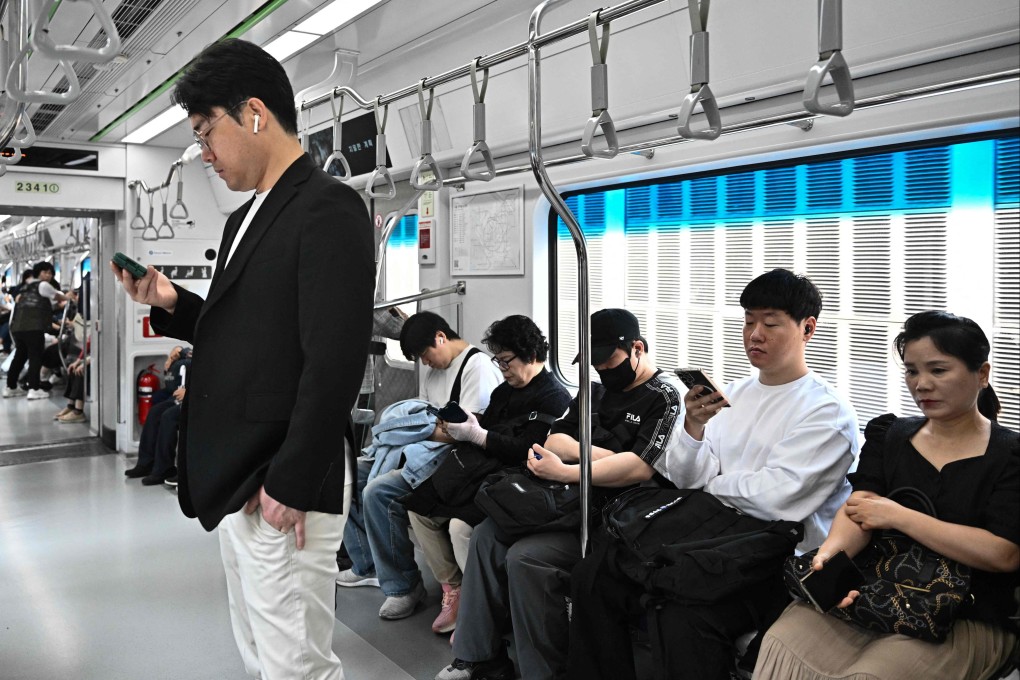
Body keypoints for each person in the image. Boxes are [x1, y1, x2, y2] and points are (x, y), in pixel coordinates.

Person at [110, 38, 374, 680]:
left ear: (253, 112)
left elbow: (333, 361)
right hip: (242, 479)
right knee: (261, 653)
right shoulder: (244, 220)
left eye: (206, 134)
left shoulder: (328, 210)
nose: (204, 154)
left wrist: (291, 481)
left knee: (297, 665)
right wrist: (172, 300)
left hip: (282, 479)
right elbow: (248, 333)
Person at [566, 269, 860, 680]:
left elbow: (777, 498)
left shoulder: (827, 412)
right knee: (594, 575)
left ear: (807, 328)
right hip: (709, 535)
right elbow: (688, 477)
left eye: (770, 323)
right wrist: (694, 429)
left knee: (681, 612)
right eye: (748, 321)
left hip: (772, 554)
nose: (754, 334)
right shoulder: (734, 394)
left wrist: (712, 484)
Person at [755, 311, 1019, 680]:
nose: (921, 384)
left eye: (938, 370)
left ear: (982, 374)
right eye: (912, 371)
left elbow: (1003, 554)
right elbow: (860, 509)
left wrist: (898, 516)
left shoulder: (1009, 454)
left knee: (874, 674)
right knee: (782, 640)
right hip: (877, 589)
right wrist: (831, 559)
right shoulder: (890, 434)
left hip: (965, 612)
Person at [436, 308, 686, 680]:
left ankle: (545, 673)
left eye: (608, 360)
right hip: (567, 498)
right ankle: (479, 657)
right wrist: (601, 460)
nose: (601, 370)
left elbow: (641, 469)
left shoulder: (665, 396)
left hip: (614, 514)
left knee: (525, 558)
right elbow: (554, 438)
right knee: (486, 536)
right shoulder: (596, 390)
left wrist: (572, 466)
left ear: (637, 348)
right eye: (594, 362)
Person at [406, 314, 571, 636]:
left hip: (514, 479)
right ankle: (453, 589)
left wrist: (479, 436)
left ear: (531, 354)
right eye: (499, 361)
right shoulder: (504, 392)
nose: (503, 369)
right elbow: (490, 429)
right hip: (483, 470)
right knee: (417, 505)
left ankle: (480, 606)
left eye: (507, 361)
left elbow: (529, 450)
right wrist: (473, 426)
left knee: (458, 527)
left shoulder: (554, 397)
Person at [338, 311, 503, 621]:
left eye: (426, 355)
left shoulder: (476, 368)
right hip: (422, 446)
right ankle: (366, 564)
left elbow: (462, 431)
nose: (426, 364)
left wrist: (419, 429)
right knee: (343, 473)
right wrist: (420, 428)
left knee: (377, 492)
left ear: (441, 337)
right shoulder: (434, 369)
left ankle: (403, 587)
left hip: (452, 456)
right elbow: (427, 415)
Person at [4, 262, 67, 400]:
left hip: (19, 327)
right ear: (39, 273)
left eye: (50, 273)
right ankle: (34, 388)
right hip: (33, 326)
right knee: (35, 356)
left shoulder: (26, 286)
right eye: (46, 272)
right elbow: (57, 297)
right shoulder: (43, 285)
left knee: (19, 357)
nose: (48, 275)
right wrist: (69, 298)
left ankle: (10, 387)